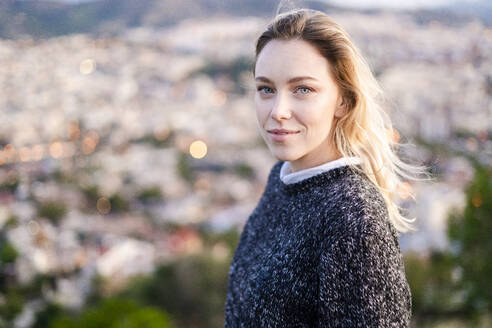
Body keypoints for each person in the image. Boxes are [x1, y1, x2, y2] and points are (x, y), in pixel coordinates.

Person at [224, 8, 430, 328]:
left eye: (302, 89)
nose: (278, 111)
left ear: (343, 101)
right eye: (266, 89)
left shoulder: (352, 214)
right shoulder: (282, 178)